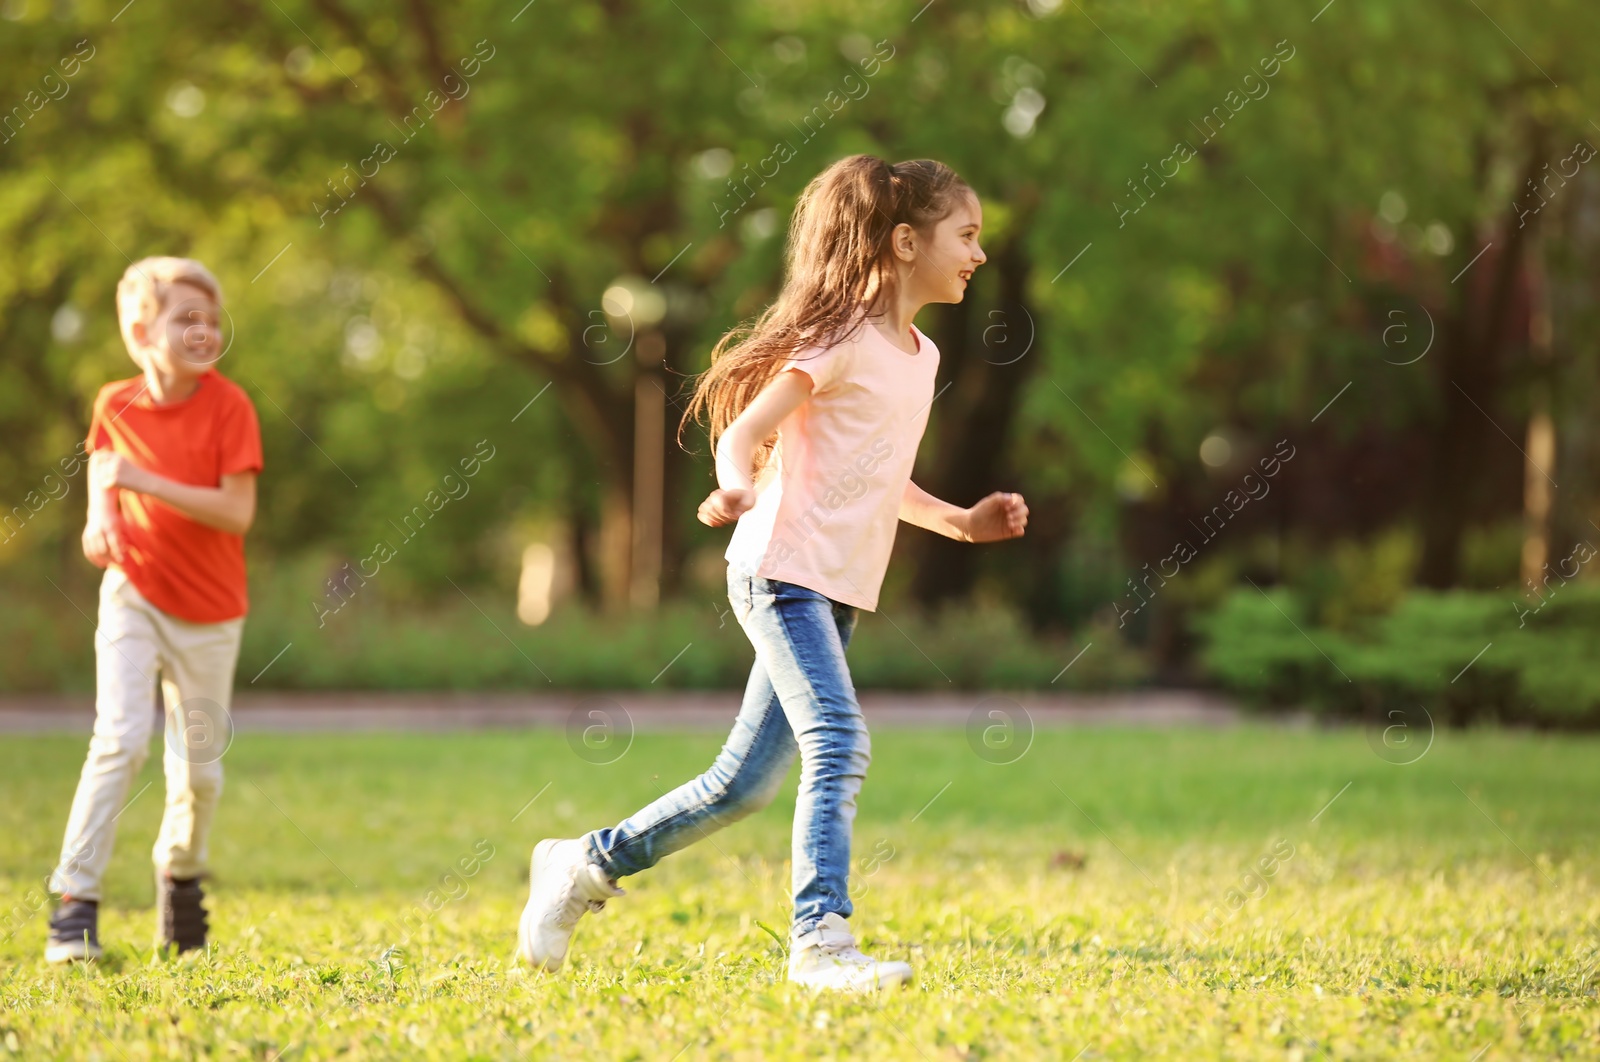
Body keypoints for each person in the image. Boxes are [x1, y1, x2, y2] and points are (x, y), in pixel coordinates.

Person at [516, 155, 1028, 991]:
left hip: (835, 589)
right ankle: (820, 943)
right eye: (965, 236)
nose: (977, 254)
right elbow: (744, 429)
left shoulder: (921, 356)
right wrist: (737, 482)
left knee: (740, 786)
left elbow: (880, 476)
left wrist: (961, 523)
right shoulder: (837, 340)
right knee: (839, 739)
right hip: (780, 573)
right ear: (904, 241)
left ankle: (582, 866)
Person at [45, 257, 262, 963]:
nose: (204, 331)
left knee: (198, 771)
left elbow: (236, 511)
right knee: (120, 738)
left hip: (211, 612)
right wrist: (97, 519)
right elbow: (102, 477)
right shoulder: (114, 402)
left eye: (211, 318)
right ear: (141, 329)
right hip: (133, 592)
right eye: (185, 319)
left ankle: (182, 878)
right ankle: (74, 905)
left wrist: (144, 480)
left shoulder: (230, 406)